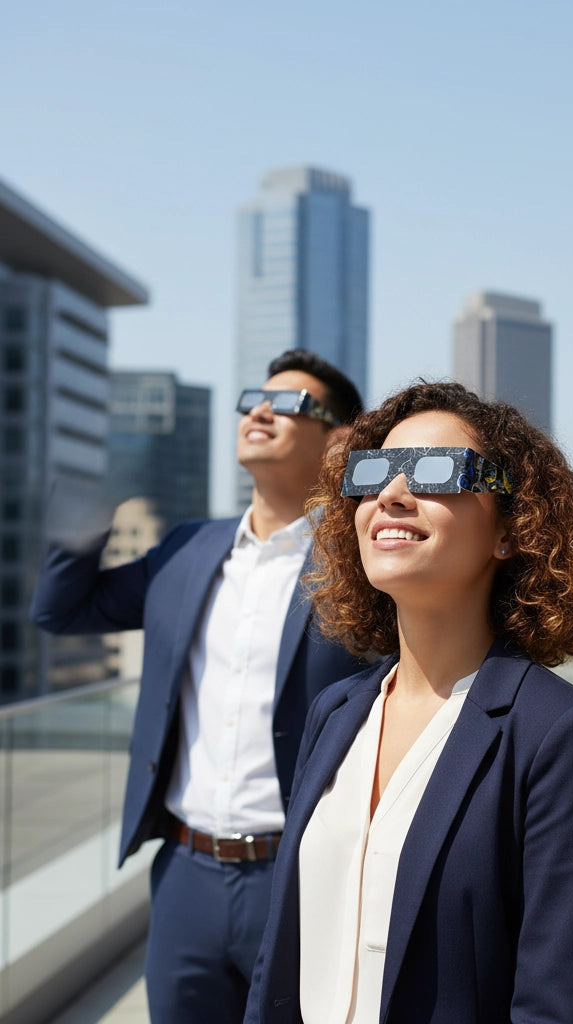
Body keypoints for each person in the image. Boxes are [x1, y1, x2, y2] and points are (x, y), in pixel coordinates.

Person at [243, 380, 573, 1024]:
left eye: (436, 472)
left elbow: (559, 1003)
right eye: (373, 474)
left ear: (511, 529)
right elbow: (281, 951)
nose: (392, 494)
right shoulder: (336, 713)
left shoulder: (563, 735)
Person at [30, 349, 367, 1024]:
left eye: (293, 403)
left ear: (340, 440)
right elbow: (60, 611)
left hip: (302, 875)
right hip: (186, 871)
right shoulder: (187, 549)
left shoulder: (358, 567)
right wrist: (86, 512)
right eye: (253, 398)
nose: (261, 410)